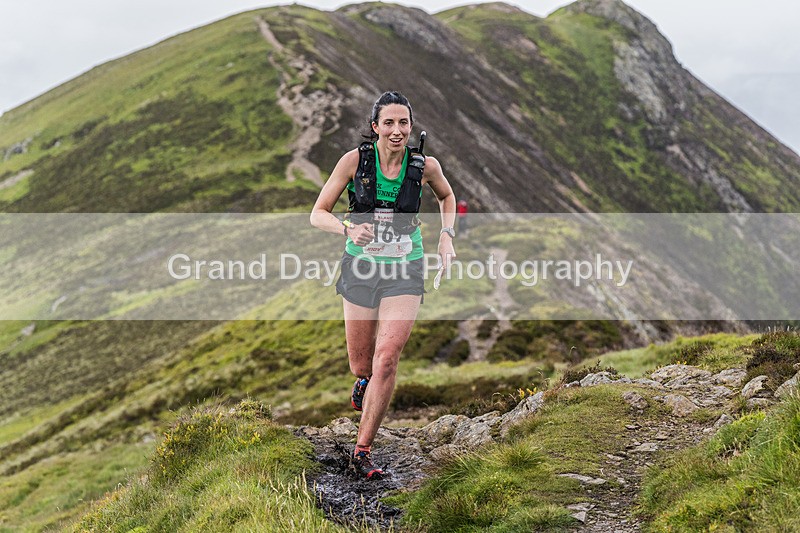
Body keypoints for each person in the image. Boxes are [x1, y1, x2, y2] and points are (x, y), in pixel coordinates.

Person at [310, 91, 456, 479]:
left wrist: (446, 235)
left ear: (411, 126)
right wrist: (346, 228)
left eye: (403, 123)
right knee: (362, 364)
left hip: (405, 268)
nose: (396, 130)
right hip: (360, 268)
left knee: (387, 357)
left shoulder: (424, 166)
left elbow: (446, 196)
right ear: (375, 127)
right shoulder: (354, 161)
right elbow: (317, 213)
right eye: (388, 123)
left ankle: (362, 451)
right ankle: (364, 381)